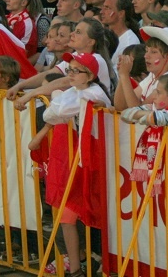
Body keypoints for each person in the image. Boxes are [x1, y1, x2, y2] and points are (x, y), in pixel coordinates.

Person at [32, 51, 110, 277]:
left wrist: (56, 98)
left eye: (77, 71)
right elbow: (51, 113)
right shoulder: (77, 91)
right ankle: (75, 269)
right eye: (70, 69)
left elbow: (58, 111)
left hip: (96, 163)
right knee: (67, 218)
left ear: (90, 75)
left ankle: (103, 265)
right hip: (81, 162)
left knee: (98, 218)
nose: (71, 75)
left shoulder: (93, 94)